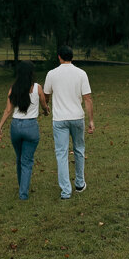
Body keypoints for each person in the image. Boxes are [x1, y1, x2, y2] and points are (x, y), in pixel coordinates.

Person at [43, 45, 94, 200]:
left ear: (59, 57)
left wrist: (46, 108)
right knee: (79, 149)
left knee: (61, 153)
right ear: (72, 57)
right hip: (77, 117)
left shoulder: (52, 74)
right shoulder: (81, 74)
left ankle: (66, 191)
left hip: (59, 119)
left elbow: (46, 95)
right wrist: (91, 120)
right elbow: (88, 98)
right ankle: (79, 183)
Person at [0, 60, 49, 200]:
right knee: (27, 161)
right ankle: (23, 194)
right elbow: (44, 105)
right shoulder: (37, 88)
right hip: (31, 127)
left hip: (16, 127)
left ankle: (22, 187)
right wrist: (46, 111)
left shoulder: (13, 88)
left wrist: (0, 127)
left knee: (19, 159)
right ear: (32, 73)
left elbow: (8, 110)